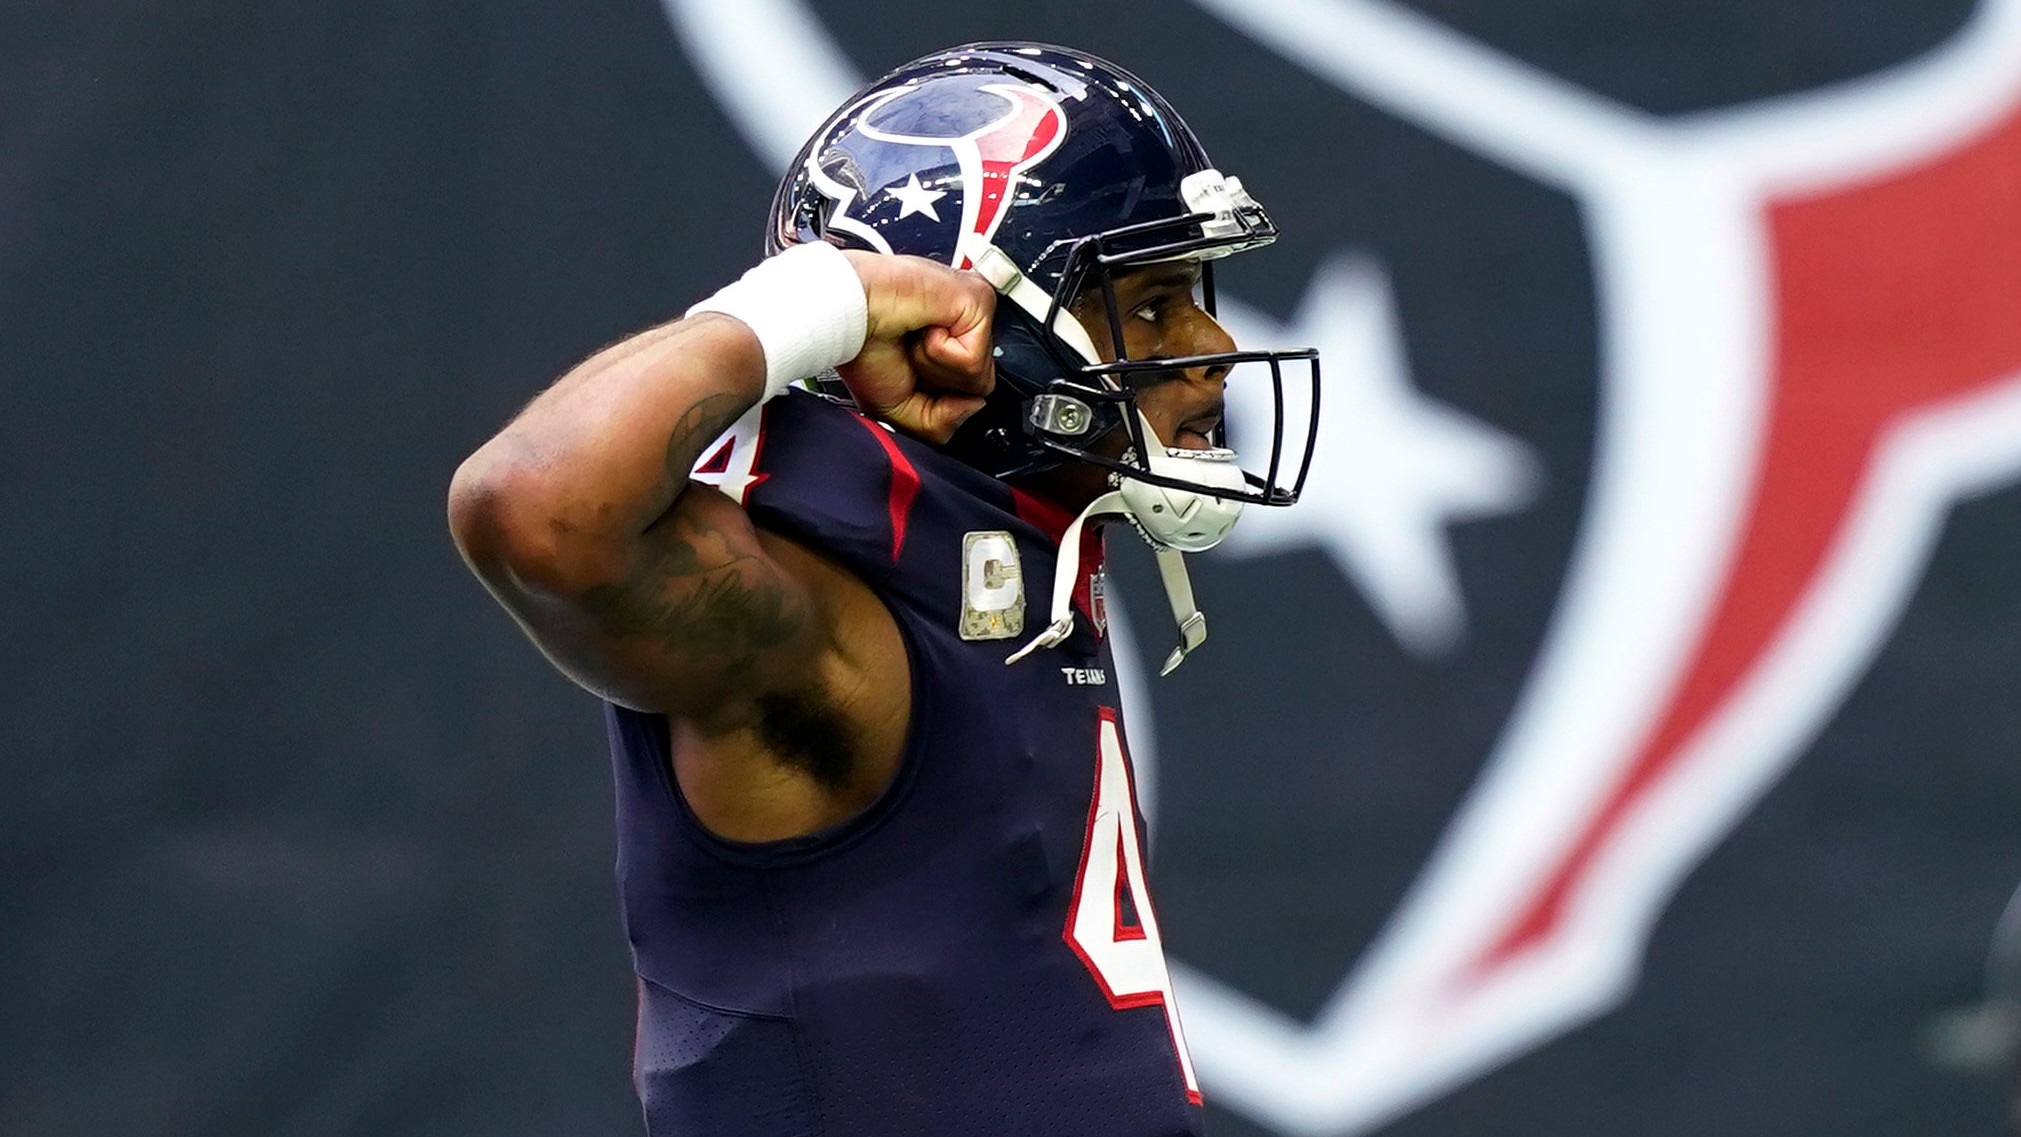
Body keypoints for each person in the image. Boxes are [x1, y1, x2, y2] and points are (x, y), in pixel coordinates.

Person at [448, 41, 1319, 1136]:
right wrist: (821, 299)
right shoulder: (833, 602)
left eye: (1192, 295)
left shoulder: (1008, 567)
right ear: (977, 327)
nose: (1212, 348)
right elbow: (530, 507)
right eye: (1145, 306)